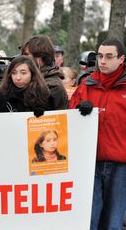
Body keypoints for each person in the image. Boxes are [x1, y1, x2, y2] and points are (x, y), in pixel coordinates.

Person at [69, 38, 126, 230]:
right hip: (90, 164)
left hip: (121, 166)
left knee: (113, 222)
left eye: (109, 57)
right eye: (100, 56)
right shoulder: (87, 85)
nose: (103, 61)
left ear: (121, 59)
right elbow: (69, 118)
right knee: (89, 220)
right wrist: (78, 110)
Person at [21, 35, 68, 110]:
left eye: (26, 54)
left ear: (40, 58)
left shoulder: (53, 86)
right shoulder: (31, 77)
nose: (22, 58)